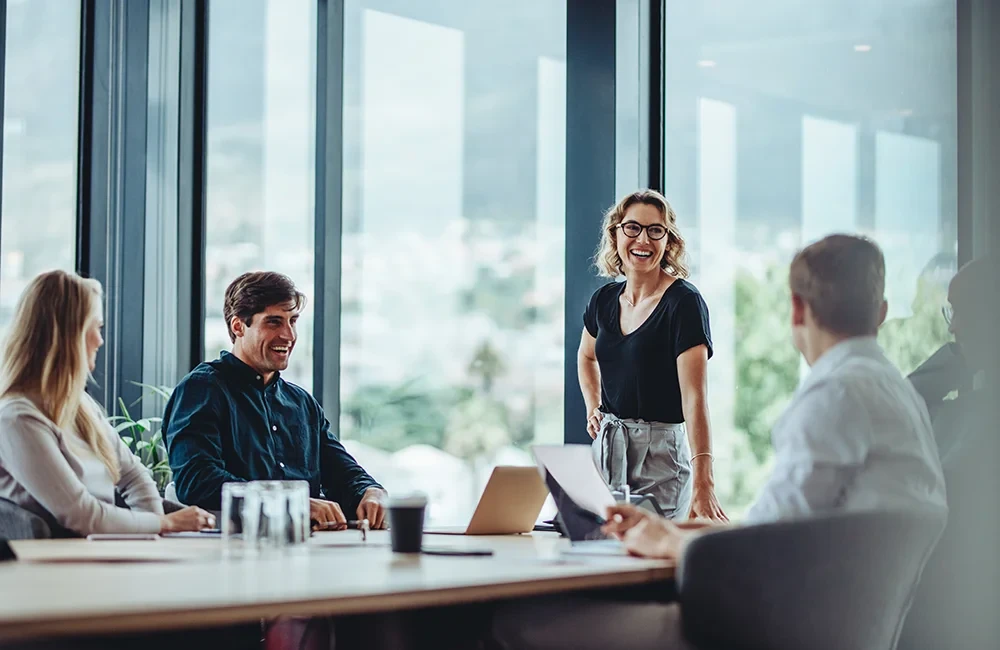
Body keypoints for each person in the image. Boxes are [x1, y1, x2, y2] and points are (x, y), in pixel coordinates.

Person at [492, 234, 947, 650]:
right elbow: (790, 527)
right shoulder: (898, 395)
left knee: (513, 625)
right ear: (882, 312)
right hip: (834, 627)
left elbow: (767, 552)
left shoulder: (835, 396)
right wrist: (670, 530)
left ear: (797, 309)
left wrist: (667, 542)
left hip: (760, 629)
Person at [164, 271, 387, 528]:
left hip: (308, 548)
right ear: (238, 326)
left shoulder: (301, 402)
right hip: (231, 550)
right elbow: (197, 481)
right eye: (274, 322)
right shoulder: (202, 389)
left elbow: (341, 471)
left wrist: (370, 491)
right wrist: (291, 502)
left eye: (292, 321)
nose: (289, 335)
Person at [0, 271, 214, 536]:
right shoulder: (17, 419)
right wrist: (165, 523)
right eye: (96, 327)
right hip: (57, 563)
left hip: (100, 550)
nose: (100, 340)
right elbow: (80, 514)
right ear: (70, 335)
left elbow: (133, 475)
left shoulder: (80, 405)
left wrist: (153, 533)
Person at [580, 189, 725, 521]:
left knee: (653, 563)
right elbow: (586, 357)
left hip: (660, 456)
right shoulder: (603, 300)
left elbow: (695, 398)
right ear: (616, 234)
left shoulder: (684, 303)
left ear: (668, 240)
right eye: (632, 227)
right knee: (601, 556)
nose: (642, 239)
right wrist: (593, 405)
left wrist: (705, 482)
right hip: (607, 449)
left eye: (654, 230)